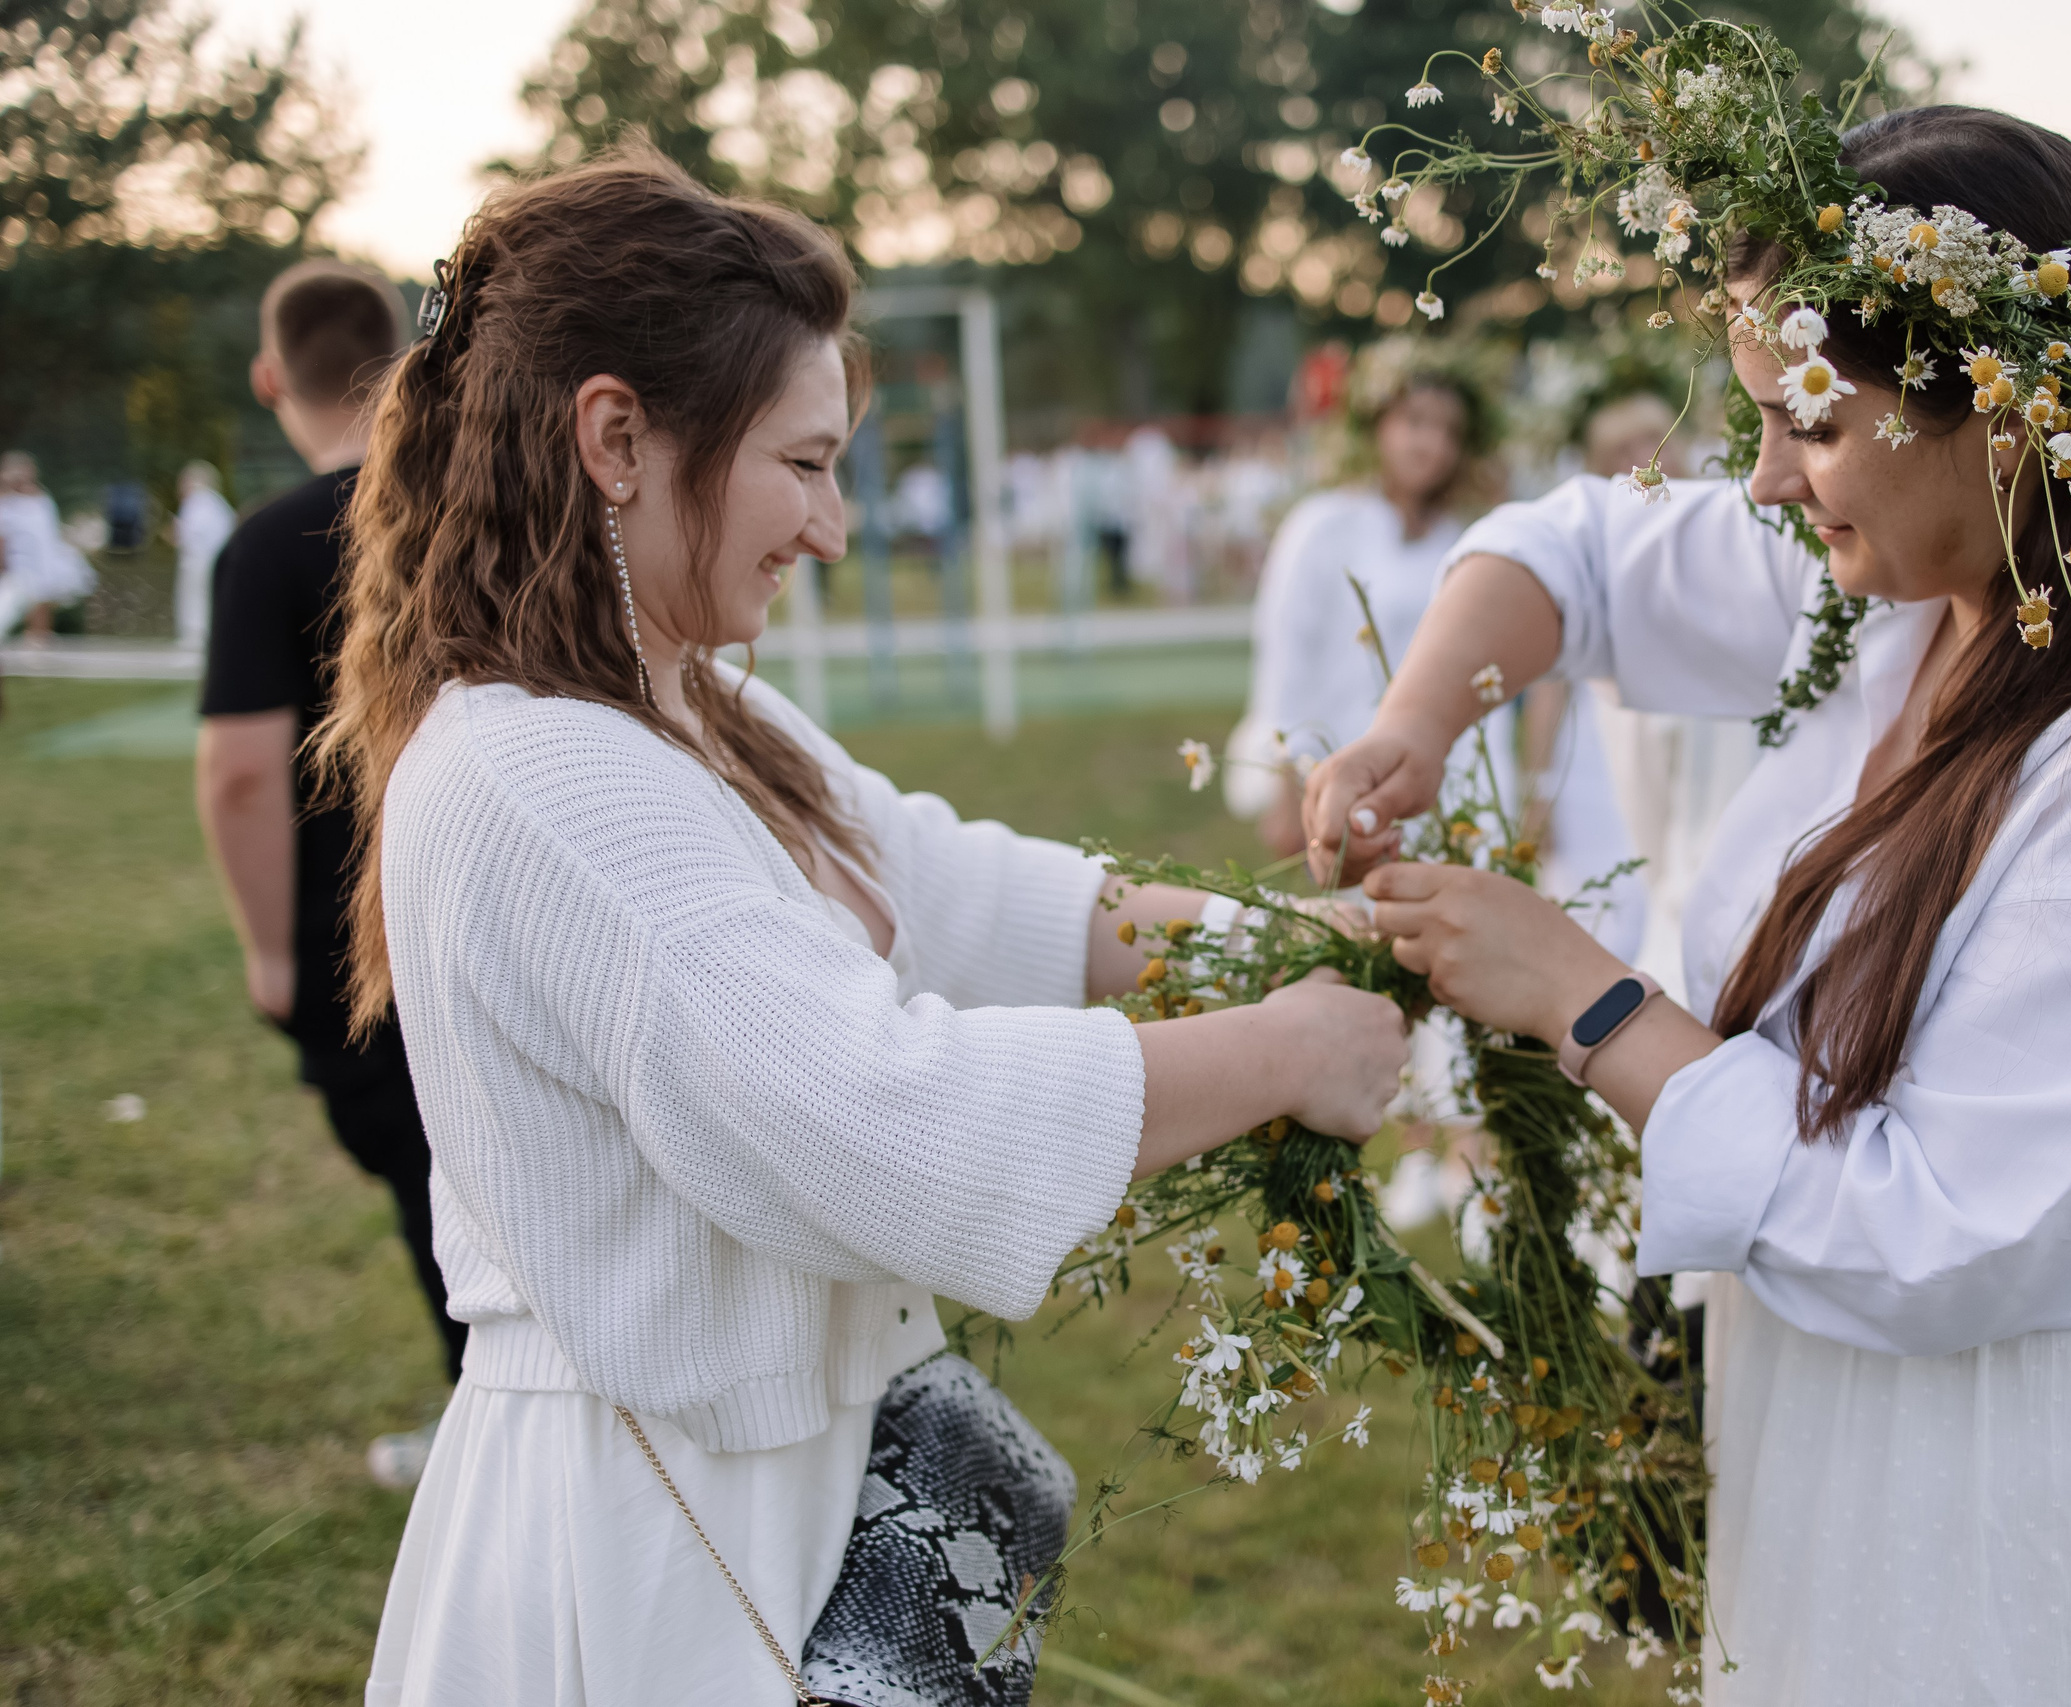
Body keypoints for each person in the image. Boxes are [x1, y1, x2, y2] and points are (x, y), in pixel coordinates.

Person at [1309, 106, 2071, 1704]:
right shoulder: (1925, 585)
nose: (1765, 478)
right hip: (1842, 1453)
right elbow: (1583, 555)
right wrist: (1417, 720)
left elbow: (1941, 1234)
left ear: (2007, 414)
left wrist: (1586, 1000)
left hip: (2054, 1505)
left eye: (1807, 422)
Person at [314, 148, 1406, 1707]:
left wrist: (1315, 936)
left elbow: (977, 894)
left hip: (793, 1487)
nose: (831, 527)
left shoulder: (688, 709)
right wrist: (1289, 1049)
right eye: (805, 463)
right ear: (616, 438)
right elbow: (882, 1120)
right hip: (664, 1544)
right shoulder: (545, 776)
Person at [194, 258, 462, 1486]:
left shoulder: (269, 547)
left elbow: (242, 776)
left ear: (270, 379)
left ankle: (493, 1439)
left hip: (368, 947)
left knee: (438, 1190)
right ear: (398, 362)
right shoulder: (479, 503)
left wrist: (269, 951)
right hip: (501, 907)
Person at [1224, 335, 1511, 858]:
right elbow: (1286, 661)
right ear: (1377, 424)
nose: (1432, 445)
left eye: (1449, 432)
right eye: (1416, 422)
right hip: (1337, 759)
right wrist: (1287, 784)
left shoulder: (1460, 540)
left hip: (1437, 778)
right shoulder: (1323, 527)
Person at [0, 451, 98, 642]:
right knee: (12, 602)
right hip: (19, 563)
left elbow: (48, 533)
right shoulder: (6, 502)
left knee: (41, 597)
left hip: (42, 560)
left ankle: (38, 640)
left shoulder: (41, 499)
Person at [171, 459, 236, 648]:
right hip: (215, 558)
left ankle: (194, 635)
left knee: (195, 597)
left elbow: (189, 532)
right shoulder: (218, 502)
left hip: (198, 558)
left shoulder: (196, 501)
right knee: (207, 596)